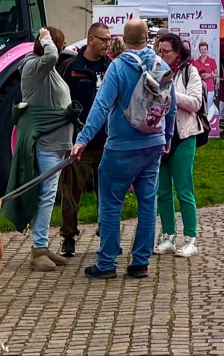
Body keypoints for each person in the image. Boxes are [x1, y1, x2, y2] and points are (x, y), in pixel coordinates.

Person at [70, 19, 176, 280]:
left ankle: (106, 263)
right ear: (147, 39)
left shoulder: (117, 67)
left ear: (124, 39)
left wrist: (83, 139)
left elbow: (101, 106)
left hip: (121, 147)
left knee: (110, 203)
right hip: (153, 144)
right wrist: (167, 136)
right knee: (147, 202)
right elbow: (170, 105)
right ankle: (140, 262)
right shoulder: (161, 65)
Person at [57, 22, 112, 258]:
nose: (107, 44)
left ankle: (107, 234)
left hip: (107, 141)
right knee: (71, 192)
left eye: (109, 40)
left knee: (108, 193)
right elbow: (60, 101)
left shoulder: (111, 66)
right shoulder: (70, 67)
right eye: (103, 39)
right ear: (90, 39)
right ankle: (68, 237)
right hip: (79, 141)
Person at [20, 26, 73, 271]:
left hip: (57, 142)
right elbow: (51, 56)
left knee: (50, 196)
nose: (60, 50)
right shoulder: (34, 66)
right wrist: (47, 38)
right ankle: (38, 249)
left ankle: (42, 244)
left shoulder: (45, 69)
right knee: (46, 195)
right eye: (59, 45)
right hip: (47, 143)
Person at [153, 32, 205, 258]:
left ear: (178, 53)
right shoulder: (154, 69)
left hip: (183, 135)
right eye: (159, 51)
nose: (162, 55)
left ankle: (191, 238)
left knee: (184, 189)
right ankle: (168, 236)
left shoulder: (189, 72)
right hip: (158, 136)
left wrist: (171, 93)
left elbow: (195, 102)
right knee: (162, 190)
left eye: (166, 51)